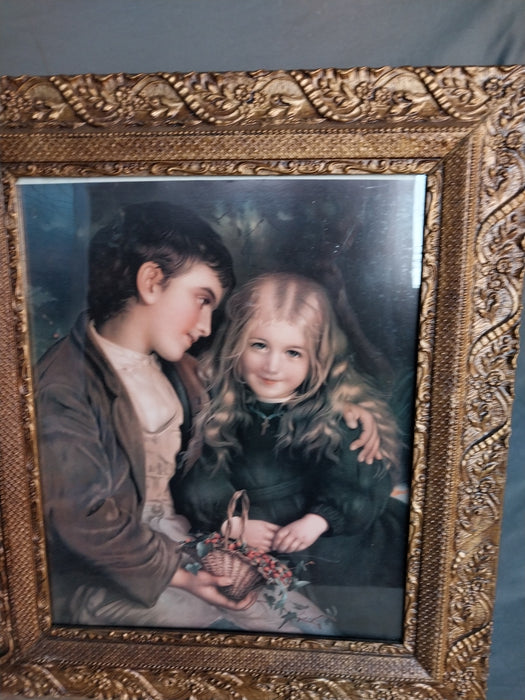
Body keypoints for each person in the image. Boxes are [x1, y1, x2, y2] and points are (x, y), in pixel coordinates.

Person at [36, 202, 337, 634]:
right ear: (152, 281)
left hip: (186, 547)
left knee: (308, 626)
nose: (205, 326)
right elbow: (84, 522)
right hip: (112, 578)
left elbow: (256, 408)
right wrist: (188, 579)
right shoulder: (65, 386)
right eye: (202, 300)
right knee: (235, 641)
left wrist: (350, 409)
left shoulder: (182, 370)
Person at [172, 272, 408, 632]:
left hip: (331, 541)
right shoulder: (221, 406)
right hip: (253, 535)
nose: (272, 366)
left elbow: (359, 481)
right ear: (237, 344)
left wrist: (319, 520)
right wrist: (230, 521)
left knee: (348, 615)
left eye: (293, 352)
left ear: (317, 359)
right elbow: (202, 475)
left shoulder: (335, 413)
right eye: (259, 346)